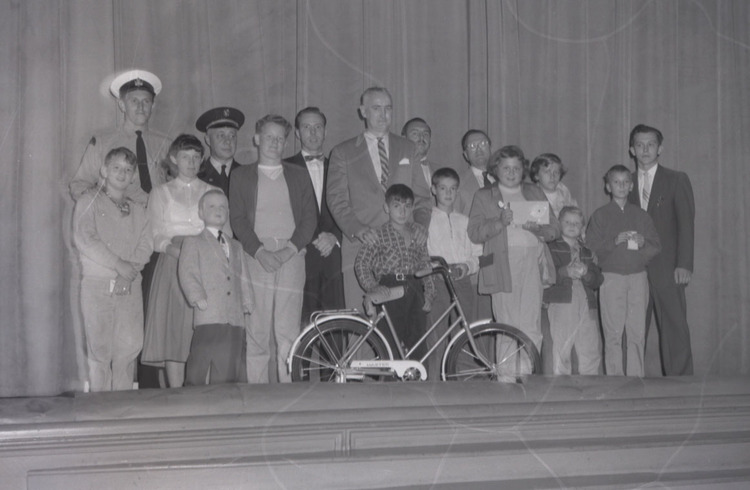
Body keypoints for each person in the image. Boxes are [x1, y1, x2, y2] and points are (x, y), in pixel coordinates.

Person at [229, 114, 317, 383]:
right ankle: (258, 393)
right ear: (257, 139)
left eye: (280, 138)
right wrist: (259, 252)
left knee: (288, 331)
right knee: (257, 330)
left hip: (292, 254)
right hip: (257, 256)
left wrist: (290, 250)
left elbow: (309, 218)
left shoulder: (299, 175)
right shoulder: (241, 175)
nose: (275, 143)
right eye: (269, 137)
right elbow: (238, 219)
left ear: (286, 143)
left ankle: (287, 391)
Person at [327, 87, 431, 311]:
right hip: (361, 247)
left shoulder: (408, 148)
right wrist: (357, 229)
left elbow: (422, 197)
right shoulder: (342, 152)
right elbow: (336, 199)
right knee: (362, 320)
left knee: (402, 322)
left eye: (388, 108)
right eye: (376, 108)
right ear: (363, 111)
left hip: (405, 251)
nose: (383, 115)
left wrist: (421, 226)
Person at [141, 134, 228, 388]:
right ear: (173, 159)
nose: (191, 162)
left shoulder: (212, 191)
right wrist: (175, 251)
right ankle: (177, 394)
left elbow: (225, 232)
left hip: (207, 262)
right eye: (185, 157)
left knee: (204, 328)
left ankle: (203, 394)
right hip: (173, 261)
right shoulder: (160, 193)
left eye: (196, 157)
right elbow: (154, 234)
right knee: (175, 332)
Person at [73, 147, 153, 391]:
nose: (122, 173)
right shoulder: (88, 201)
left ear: (133, 176)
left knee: (128, 349)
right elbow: (86, 239)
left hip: (130, 286)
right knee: (99, 350)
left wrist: (129, 273)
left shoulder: (139, 210)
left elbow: (146, 244)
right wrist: (118, 265)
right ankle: (100, 406)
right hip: (98, 286)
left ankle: (123, 406)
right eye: (116, 167)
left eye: (128, 169)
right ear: (104, 170)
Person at [468, 145, 559, 352]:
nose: (511, 173)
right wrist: (499, 222)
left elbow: (555, 228)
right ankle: (506, 372)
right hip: (501, 263)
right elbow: (474, 232)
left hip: (532, 262)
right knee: (507, 326)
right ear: (495, 169)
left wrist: (539, 229)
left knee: (531, 323)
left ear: (523, 170)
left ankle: (530, 369)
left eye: (516, 168)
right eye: (506, 168)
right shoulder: (484, 195)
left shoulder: (534, 191)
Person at [627, 124, 696, 376]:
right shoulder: (624, 182)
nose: (645, 149)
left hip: (668, 268)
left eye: (651, 144)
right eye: (639, 145)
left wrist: (684, 264)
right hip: (633, 268)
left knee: (675, 328)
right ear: (631, 150)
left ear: (660, 148)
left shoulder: (676, 180)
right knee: (631, 328)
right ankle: (629, 382)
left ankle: (681, 384)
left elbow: (686, 224)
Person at [586, 165, 661, 377]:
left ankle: (636, 378)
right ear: (608, 186)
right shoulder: (600, 216)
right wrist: (613, 242)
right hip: (611, 278)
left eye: (625, 182)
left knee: (637, 332)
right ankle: (615, 380)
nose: (621, 186)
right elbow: (590, 249)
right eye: (616, 182)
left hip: (638, 277)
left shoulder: (641, 215)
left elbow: (656, 246)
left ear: (631, 186)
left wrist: (643, 243)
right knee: (613, 333)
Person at [178, 190, 254, 385]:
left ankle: (225, 398)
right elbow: (187, 271)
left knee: (229, 365)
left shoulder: (236, 246)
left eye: (223, 207)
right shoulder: (193, 242)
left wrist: (247, 300)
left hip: (234, 316)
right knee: (199, 363)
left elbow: (243, 276)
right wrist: (196, 295)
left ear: (228, 212)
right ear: (201, 212)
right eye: (211, 206)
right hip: (208, 314)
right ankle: (192, 398)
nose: (218, 210)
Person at [355, 184, 435, 361]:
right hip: (389, 289)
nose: (402, 211)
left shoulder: (417, 234)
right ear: (387, 208)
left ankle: (417, 376)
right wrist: (373, 286)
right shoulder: (378, 235)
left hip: (415, 289)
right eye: (397, 206)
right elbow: (361, 263)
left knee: (418, 341)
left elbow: (425, 264)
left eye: (407, 206)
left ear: (412, 208)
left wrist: (429, 293)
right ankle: (390, 377)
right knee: (388, 342)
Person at [70, 69, 169, 206]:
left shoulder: (166, 144)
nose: (140, 107)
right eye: (134, 101)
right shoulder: (102, 142)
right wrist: (106, 207)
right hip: (117, 215)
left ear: (152, 105)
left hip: (159, 215)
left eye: (146, 101)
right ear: (122, 105)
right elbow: (79, 185)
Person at [284, 107, 344, 323]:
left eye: (318, 127)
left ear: (325, 131)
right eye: (306, 127)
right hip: (300, 256)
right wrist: (310, 238)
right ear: (297, 133)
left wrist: (334, 236)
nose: (313, 132)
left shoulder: (340, 167)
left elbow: (348, 206)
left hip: (332, 257)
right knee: (300, 325)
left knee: (335, 324)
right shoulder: (285, 167)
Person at [426, 167, 482, 380]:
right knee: (436, 333)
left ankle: (462, 379)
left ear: (458, 191)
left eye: (452, 189)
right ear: (433, 189)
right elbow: (422, 253)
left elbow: (477, 254)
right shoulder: (427, 219)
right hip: (437, 280)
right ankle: (433, 381)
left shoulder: (465, 221)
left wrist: (466, 267)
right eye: (443, 188)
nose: (448, 193)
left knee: (464, 330)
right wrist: (433, 269)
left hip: (461, 280)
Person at [543, 206, 603, 375]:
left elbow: (598, 279)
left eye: (576, 223)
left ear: (582, 228)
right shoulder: (550, 248)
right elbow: (545, 274)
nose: (572, 226)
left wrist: (587, 273)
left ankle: (590, 382)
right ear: (559, 224)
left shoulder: (587, 252)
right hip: (562, 300)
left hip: (587, 301)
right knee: (562, 345)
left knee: (590, 346)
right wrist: (565, 272)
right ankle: (561, 383)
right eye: (567, 222)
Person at [195, 106, 245, 196]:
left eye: (232, 136)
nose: (228, 141)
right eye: (221, 135)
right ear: (208, 140)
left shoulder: (247, 175)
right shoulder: (196, 175)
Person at [530, 153, 579, 219]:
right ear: (536, 175)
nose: (552, 176)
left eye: (556, 172)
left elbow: (575, 214)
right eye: (547, 172)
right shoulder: (531, 194)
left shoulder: (564, 191)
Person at [456, 129, 494, 215]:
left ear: (490, 148)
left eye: (483, 144)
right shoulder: (458, 183)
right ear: (466, 155)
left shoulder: (504, 178)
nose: (479, 150)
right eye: (472, 146)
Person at [401, 118, 439, 190]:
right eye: (415, 133)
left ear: (430, 140)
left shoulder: (440, 170)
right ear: (403, 139)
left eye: (425, 134)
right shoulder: (397, 169)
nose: (421, 137)